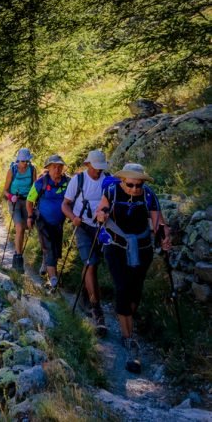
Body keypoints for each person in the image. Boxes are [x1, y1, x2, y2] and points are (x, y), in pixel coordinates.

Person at [95, 163, 171, 373]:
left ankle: (128, 318)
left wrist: (165, 238)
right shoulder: (112, 190)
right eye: (131, 185)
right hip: (116, 247)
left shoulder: (148, 195)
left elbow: (158, 223)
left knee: (135, 291)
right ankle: (128, 336)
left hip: (142, 249)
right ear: (122, 180)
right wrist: (101, 215)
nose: (136, 189)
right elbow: (100, 210)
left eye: (139, 185)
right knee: (122, 288)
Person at [61, 149, 110, 336]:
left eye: (100, 168)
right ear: (88, 164)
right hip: (82, 226)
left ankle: (84, 297)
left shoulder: (108, 180)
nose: (98, 171)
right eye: (95, 167)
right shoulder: (78, 180)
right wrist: (73, 217)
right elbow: (65, 204)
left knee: (93, 265)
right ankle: (97, 310)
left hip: (102, 228)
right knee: (90, 263)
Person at [26, 155, 70, 293]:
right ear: (48, 168)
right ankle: (53, 280)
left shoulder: (68, 182)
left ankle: (48, 266)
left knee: (56, 249)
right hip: (43, 221)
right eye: (54, 167)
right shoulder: (40, 183)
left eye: (60, 167)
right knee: (50, 248)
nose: (57, 169)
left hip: (59, 222)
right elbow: (29, 200)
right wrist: (29, 216)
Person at [3, 148, 36, 273]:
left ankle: (21, 255)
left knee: (28, 227)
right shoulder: (12, 170)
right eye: (23, 161)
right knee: (20, 227)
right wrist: (11, 196)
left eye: (27, 161)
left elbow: (35, 187)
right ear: (18, 160)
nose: (25, 164)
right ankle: (18, 258)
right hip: (15, 202)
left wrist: (33, 201)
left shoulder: (32, 170)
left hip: (28, 201)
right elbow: (5, 190)